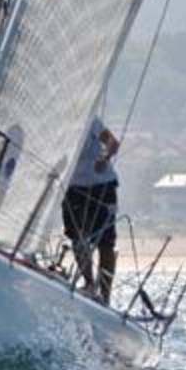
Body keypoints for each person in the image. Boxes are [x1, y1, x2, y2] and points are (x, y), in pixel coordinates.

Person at [62, 116, 120, 304]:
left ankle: (105, 294)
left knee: (105, 243)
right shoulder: (60, 121)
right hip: (74, 187)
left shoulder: (91, 121)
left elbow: (113, 143)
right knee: (77, 237)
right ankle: (88, 283)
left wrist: (104, 159)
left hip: (102, 185)